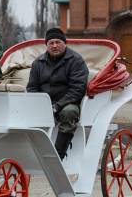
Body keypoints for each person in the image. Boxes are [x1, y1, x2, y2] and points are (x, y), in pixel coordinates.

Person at [26, 27, 89, 159]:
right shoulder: (38, 63)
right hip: (44, 103)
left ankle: (57, 155)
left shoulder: (76, 60)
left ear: (65, 43)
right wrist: (39, 104)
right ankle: (27, 154)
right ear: (47, 46)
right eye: (51, 43)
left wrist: (57, 106)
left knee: (69, 113)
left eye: (58, 42)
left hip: (68, 103)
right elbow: (32, 88)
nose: (54, 45)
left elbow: (78, 89)